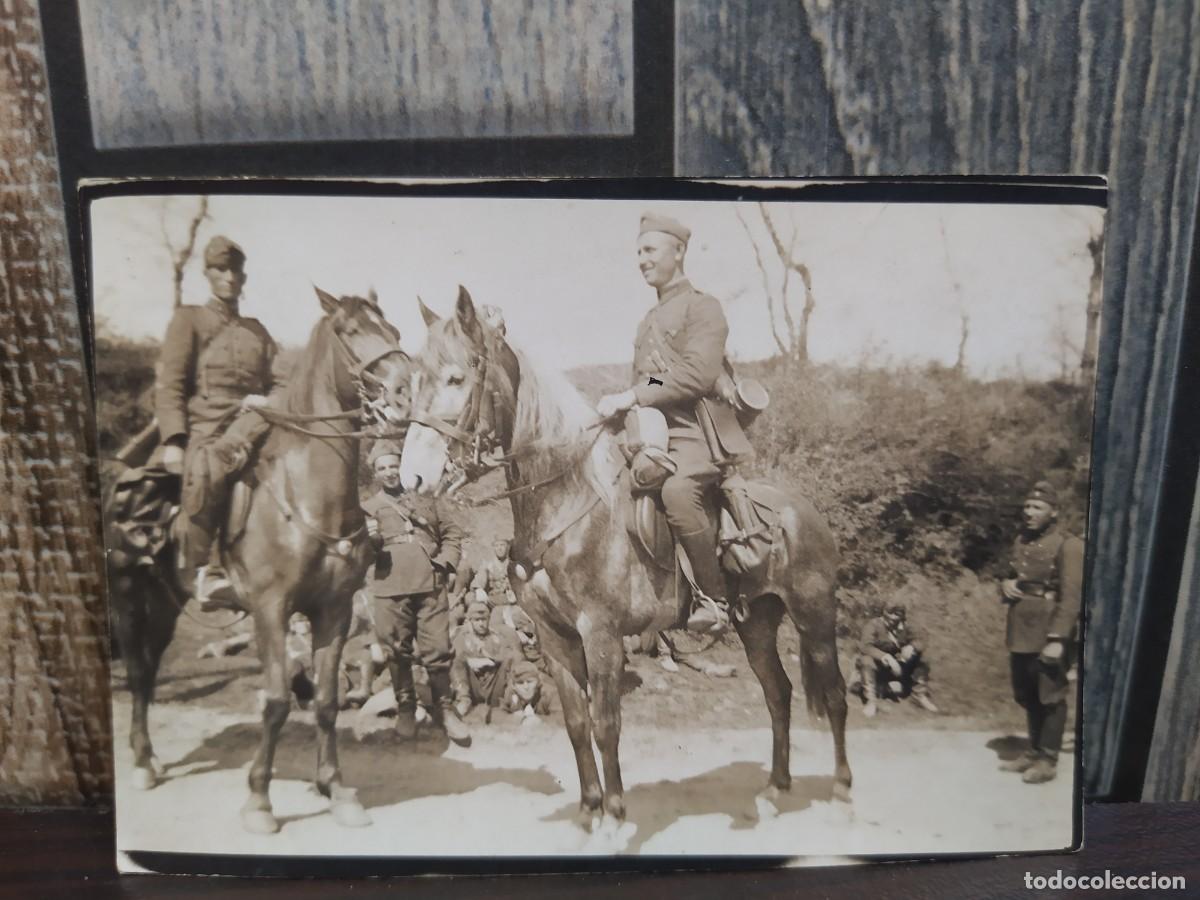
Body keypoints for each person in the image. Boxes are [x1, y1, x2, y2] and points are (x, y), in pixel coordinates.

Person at [596, 212, 752, 635]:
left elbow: (697, 373)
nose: (641, 260)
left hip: (692, 434)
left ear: (679, 252)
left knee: (679, 492)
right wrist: (619, 409)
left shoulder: (704, 307)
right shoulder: (648, 320)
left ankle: (714, 599)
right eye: (639, 252)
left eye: (649, 250)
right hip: (647, 434)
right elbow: (647, 380)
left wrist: (634, 393)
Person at [154, 235, 280, 612]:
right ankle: (205, 572)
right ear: (207, 273)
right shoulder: (189, 319)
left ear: (244, 277)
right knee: (210, 467)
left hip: (257, 421)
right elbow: (171, 384)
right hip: (207, 426)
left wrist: (270, 400)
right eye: (221, 270)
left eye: (235, 271)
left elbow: (281, 378)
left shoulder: (257, 330)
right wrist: (174, 440)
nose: (229, 278)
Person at [362, 439, 469, 745]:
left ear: (403, 467)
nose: (389, 473)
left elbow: (451, 534)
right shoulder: (368, 508)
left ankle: (446, 710)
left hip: (430, 584)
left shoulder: (426, 502)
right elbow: (361, 554)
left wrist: (445, 563)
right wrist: (370, 544)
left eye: (394, 466)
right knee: (396, 650)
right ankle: (406, 708)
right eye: (382, 468)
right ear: (375, 473)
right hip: (389, 585)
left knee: (438, 650)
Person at [998, 480, 1084, 785]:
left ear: (1054, 512)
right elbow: (1015, 578)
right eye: (1027, 507)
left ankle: (1048, 759)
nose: (1029, 512)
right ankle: (1034, 751)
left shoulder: (1068, 545)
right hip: (1021, 627)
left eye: (1037, 507)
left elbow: (1072, 597)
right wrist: (1005, 586)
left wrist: (1058, 639)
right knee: (1027, 693)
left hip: (1048, 630)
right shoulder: (1022, 541)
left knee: (1050, 695)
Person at [855, 603, 938, 716]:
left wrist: (912, 646)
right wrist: (885, 656)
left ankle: (919, 695)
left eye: (897, 618)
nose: (894, 622)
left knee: (922, 658)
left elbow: (922, 639)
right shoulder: (873, 625)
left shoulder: (906, 626)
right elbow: (865, 646)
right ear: (885, 615)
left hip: (900, 665)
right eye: (891, 618)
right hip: (879, 667)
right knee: (865, 660)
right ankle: (871, 700)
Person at [451, 601, 522, 718]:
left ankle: (514, 701)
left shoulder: (496, 636)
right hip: (472, 686)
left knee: (515, 657)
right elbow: (456, 657)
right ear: (469, 621)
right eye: (477, 620)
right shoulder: (461, 637)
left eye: (484, 620)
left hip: (494, 684)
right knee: (456, 662)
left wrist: (490, 660)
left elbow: (508, 653)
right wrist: (470, 661)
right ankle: (463, 701)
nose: (481, 624)